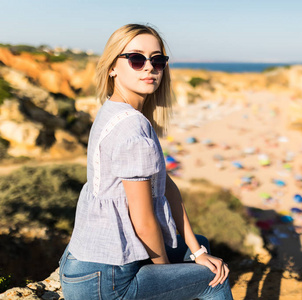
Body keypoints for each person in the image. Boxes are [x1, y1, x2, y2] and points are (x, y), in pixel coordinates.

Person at [59, 24, 233, 300]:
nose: (149, 68)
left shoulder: (114, 111)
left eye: (157, 59)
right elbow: (143, 221)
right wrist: (167, 274)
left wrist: (197, 251)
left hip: (86, 265)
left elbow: (165, 185)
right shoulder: (132, 127)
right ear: (112, 67)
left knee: (200, 245)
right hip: (105, 281)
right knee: (214, 278)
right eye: (137, 59)